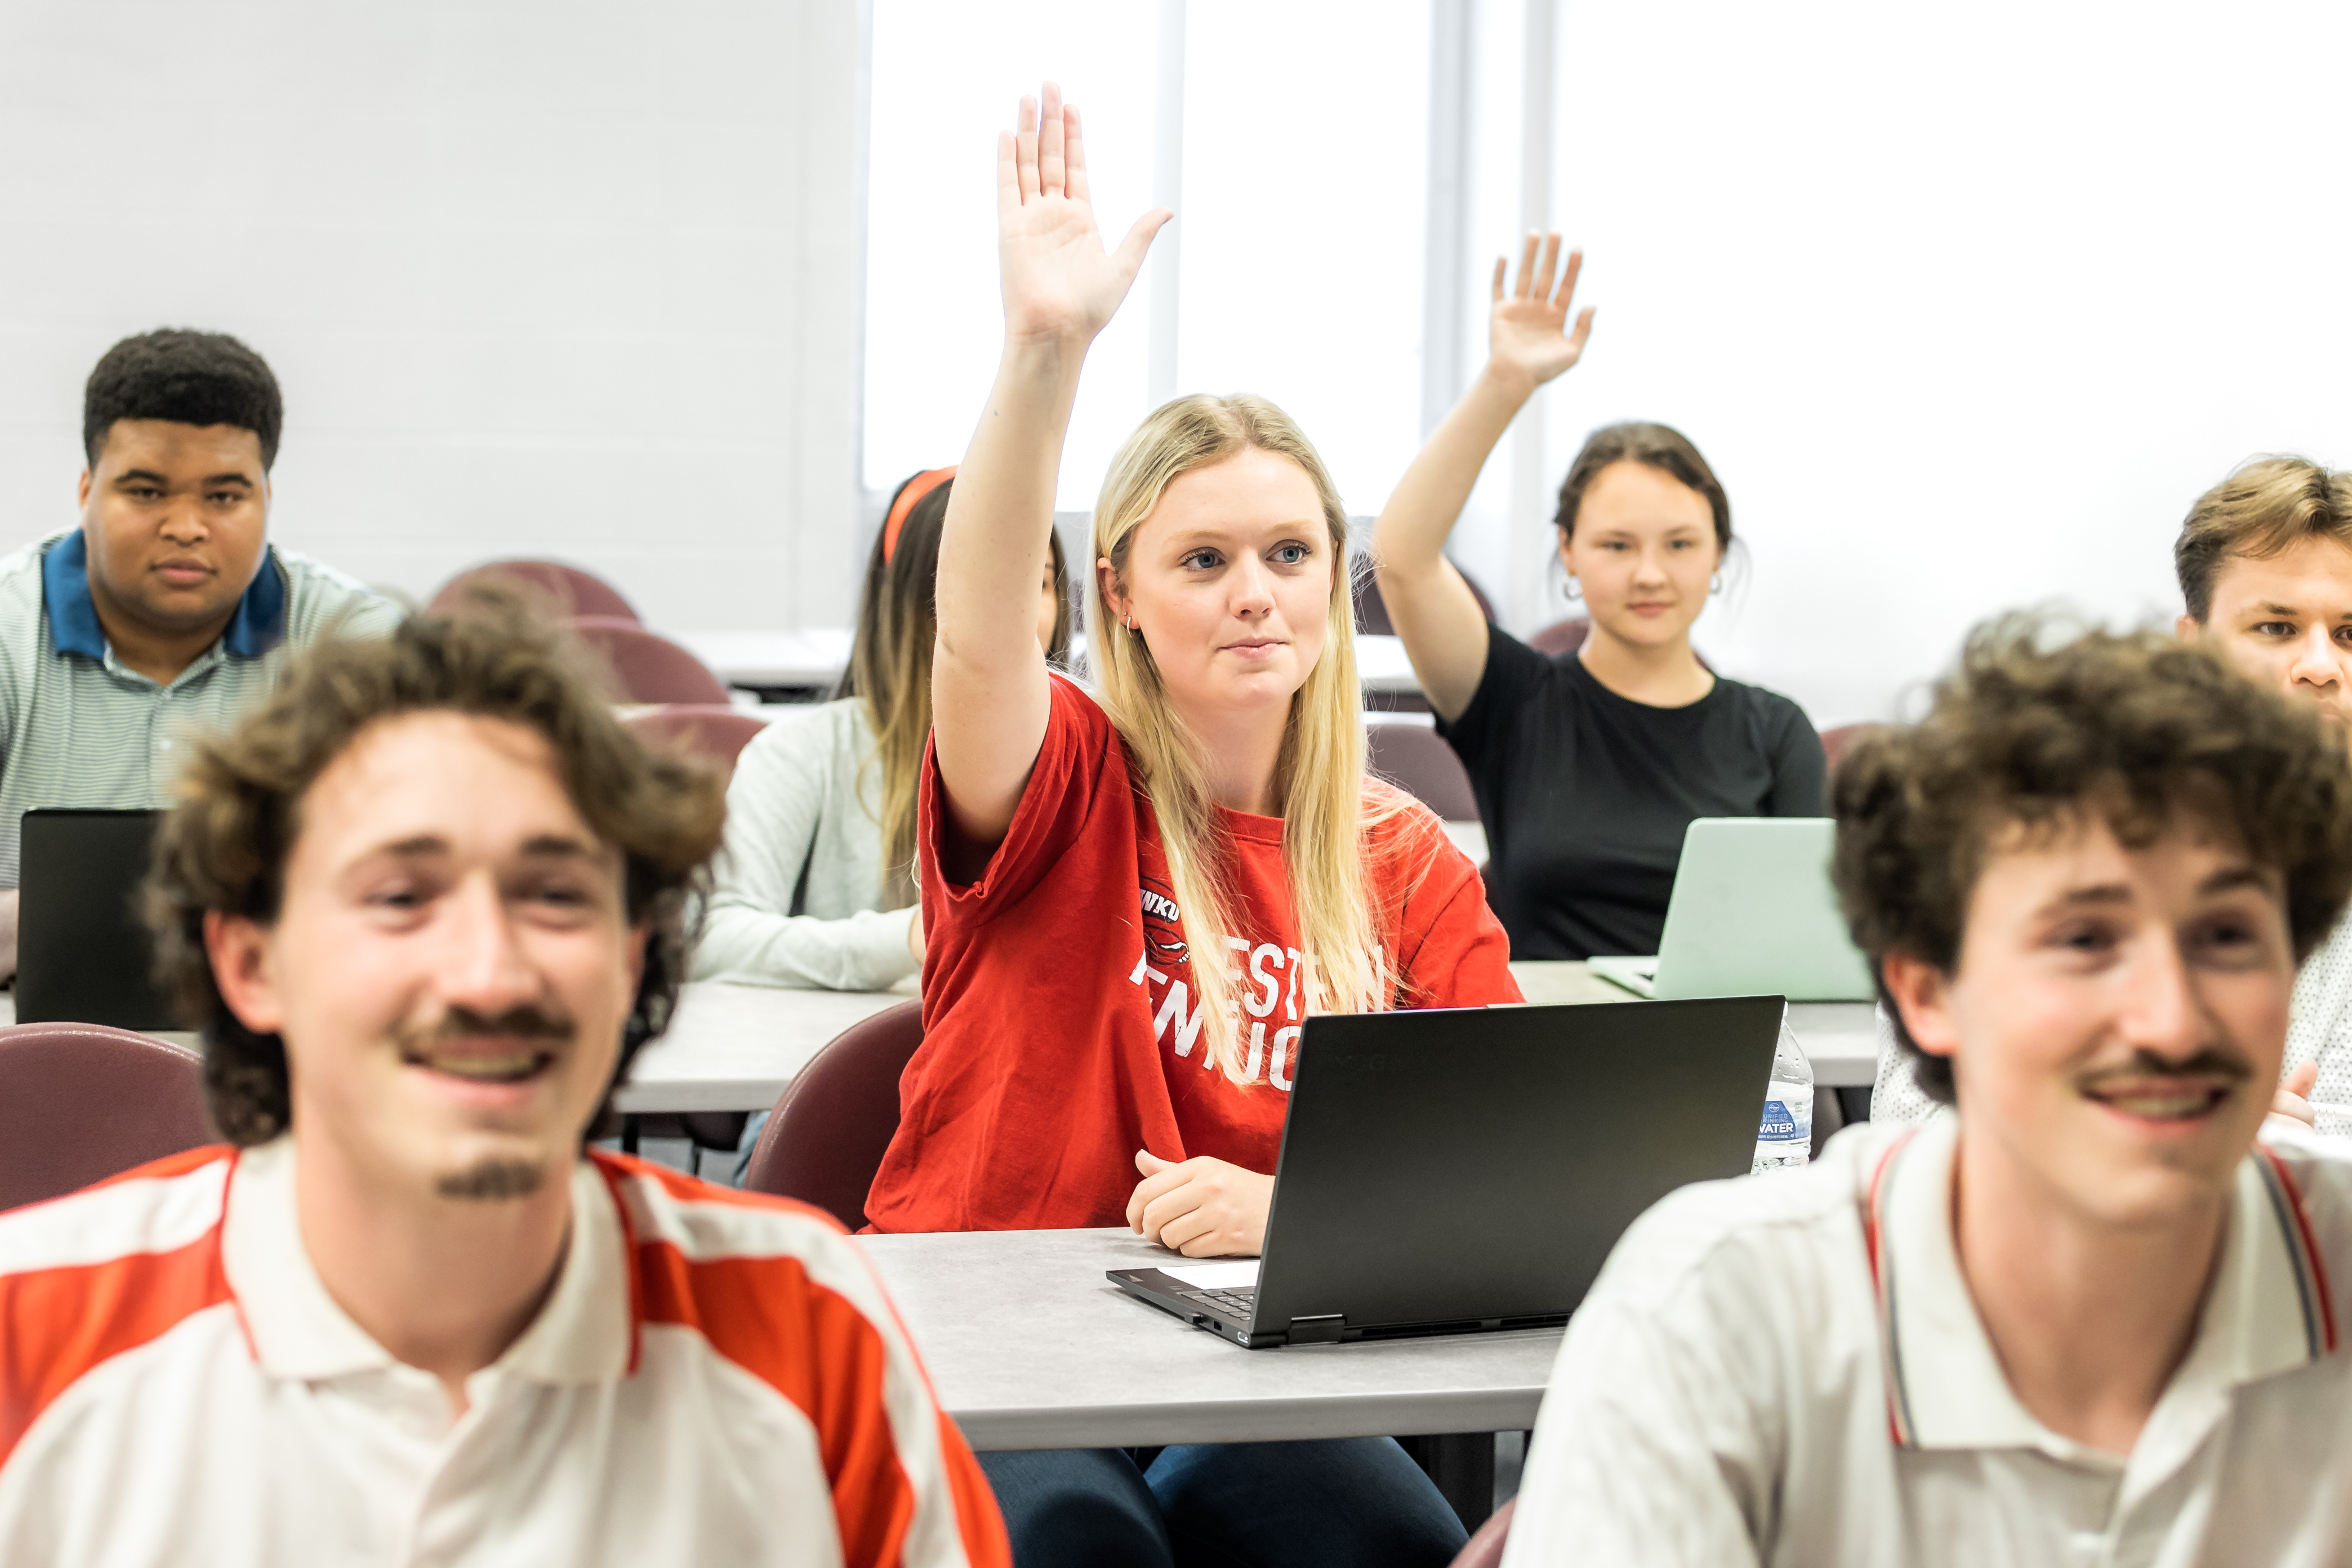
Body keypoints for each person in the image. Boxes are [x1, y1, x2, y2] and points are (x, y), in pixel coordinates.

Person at [0, 594, 1009, 1566]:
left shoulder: (807, 1319)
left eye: (554, 895)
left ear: (629, 957)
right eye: (400, 896)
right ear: (254, 961)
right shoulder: (33, 1335)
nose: (488, 972)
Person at [869, 84, 1521, 1566]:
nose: (1253, 591)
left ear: (1335, 578)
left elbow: (1502, 1183)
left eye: (1291, 553)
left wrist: (1292, 1215)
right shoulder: (1071, 787)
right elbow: (975, 639)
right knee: (1090, 1551)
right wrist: (1046, 351)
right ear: (1119, 592)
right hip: (995, 1342)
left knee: (1390, 1547)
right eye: (1204, 556)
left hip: (1248, 1361)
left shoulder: (1403, 855)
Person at [1504, 621, 2352, 1565]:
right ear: (1925, 986)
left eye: (2228, 936)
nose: (2170, 1019)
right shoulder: (1717, 1310)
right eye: (2083, 940)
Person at [1370, 240, 1823, 959]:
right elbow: (1401, 558)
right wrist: (1505, 383)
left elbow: (1806, 937)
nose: (1650, 573)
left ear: (1716, 557)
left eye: (1679, 545)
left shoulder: (1774, 733)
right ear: (1570, 552)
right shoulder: (1514, 700)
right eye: (1618, 546)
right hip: (1546, 1048)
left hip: (1721, 1056)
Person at [1873, 455, 2352, 1132]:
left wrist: (2300, 1153)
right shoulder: (2050, 834)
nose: (2320, 667)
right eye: (2274, 628)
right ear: (2195, 649)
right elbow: (1907, 1114)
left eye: (2349, 634)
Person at [0, 327, 397, 977]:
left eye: (223, 496)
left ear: (266, 499)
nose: (186, 527)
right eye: (147, 491)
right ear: (85, 493)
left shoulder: (352, 643)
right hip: (25, 1040)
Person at [692, 465, 1072, 991]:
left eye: (1040, 580)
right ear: (917, 598)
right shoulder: (801, 755)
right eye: (987, 581)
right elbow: (715, 939)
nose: (1015, 610)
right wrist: (912, 937)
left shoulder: (1091, 769)